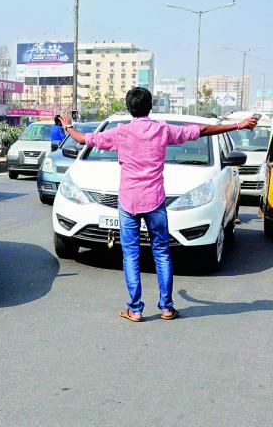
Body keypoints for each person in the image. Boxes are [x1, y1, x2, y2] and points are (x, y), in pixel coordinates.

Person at [62, 87, 258, 323]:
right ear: (150, 107)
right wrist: (239, 125)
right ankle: (167, 307)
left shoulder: (120, 132)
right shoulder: (162, 129)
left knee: (131, 255)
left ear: (129, 108)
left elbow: (85, 139)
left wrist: (68, 126)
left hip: (128, 201)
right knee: (162, 253)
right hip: (155, 200)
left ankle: (135, 309)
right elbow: (202, 130)